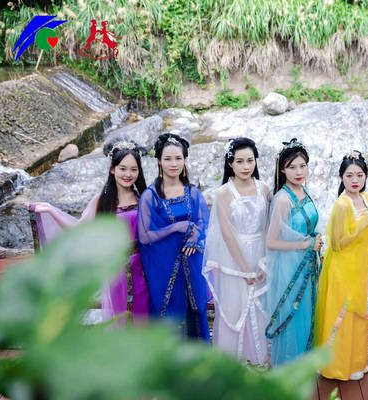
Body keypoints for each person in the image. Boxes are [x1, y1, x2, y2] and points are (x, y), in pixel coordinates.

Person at [29, 140, 149, 325]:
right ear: (112, 169)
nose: (128, 174)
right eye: (122, 169)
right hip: (117, 269)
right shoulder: (102, 200)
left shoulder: (144, 197)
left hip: (144, 267)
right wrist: (51, 210)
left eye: (133, 169)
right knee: (122, 318)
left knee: (144, 317)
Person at [203, 138, 270, 364]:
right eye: (239, 161)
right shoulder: (223, 193)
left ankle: (256, 359)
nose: (245, 166)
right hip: (233, 260)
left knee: (258, 309)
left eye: (250, 160)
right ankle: (231, 364)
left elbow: (267, 226)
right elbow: (227, 234)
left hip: (260, 254)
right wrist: (244, 269)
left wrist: (264, 262)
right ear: (230, 163)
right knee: (233, 309)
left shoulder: (264, 188)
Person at [137, 133, 210, 340]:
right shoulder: (151, 196)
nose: (173, 163)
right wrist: (177, 227)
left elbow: (203, 222)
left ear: (185, 160)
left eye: (178, 158)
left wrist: (195, 238)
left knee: (196, 310)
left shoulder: (192, 192)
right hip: (165, 268)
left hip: (192, 264)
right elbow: (145, 236)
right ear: (159, 161)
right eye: (168, 158)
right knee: (172, 315)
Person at [315, 151, 368, 381]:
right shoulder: (342, 205)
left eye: (359, 175)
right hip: (342, 270)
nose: (355, 180)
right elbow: (337, 243)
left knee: (360, 317)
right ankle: (337, 366)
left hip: (362, 268)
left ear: (366, 176)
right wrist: (363, 224)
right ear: (342, 177)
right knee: (344, 316)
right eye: (349, 175)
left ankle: (357, 362)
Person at [264, 138, 323, 366]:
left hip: (307, 264)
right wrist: (306, 244)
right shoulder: (282, 199)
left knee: (307, 314)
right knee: (293, 318)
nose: (299, 172)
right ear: (282, 169)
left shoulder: (304, 192)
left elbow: (306, 227)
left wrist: (315, 239)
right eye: (292, 167)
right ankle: (287, 372)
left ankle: (302, 368)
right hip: (290, 267)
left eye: (302, 166)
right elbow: (271, 241)